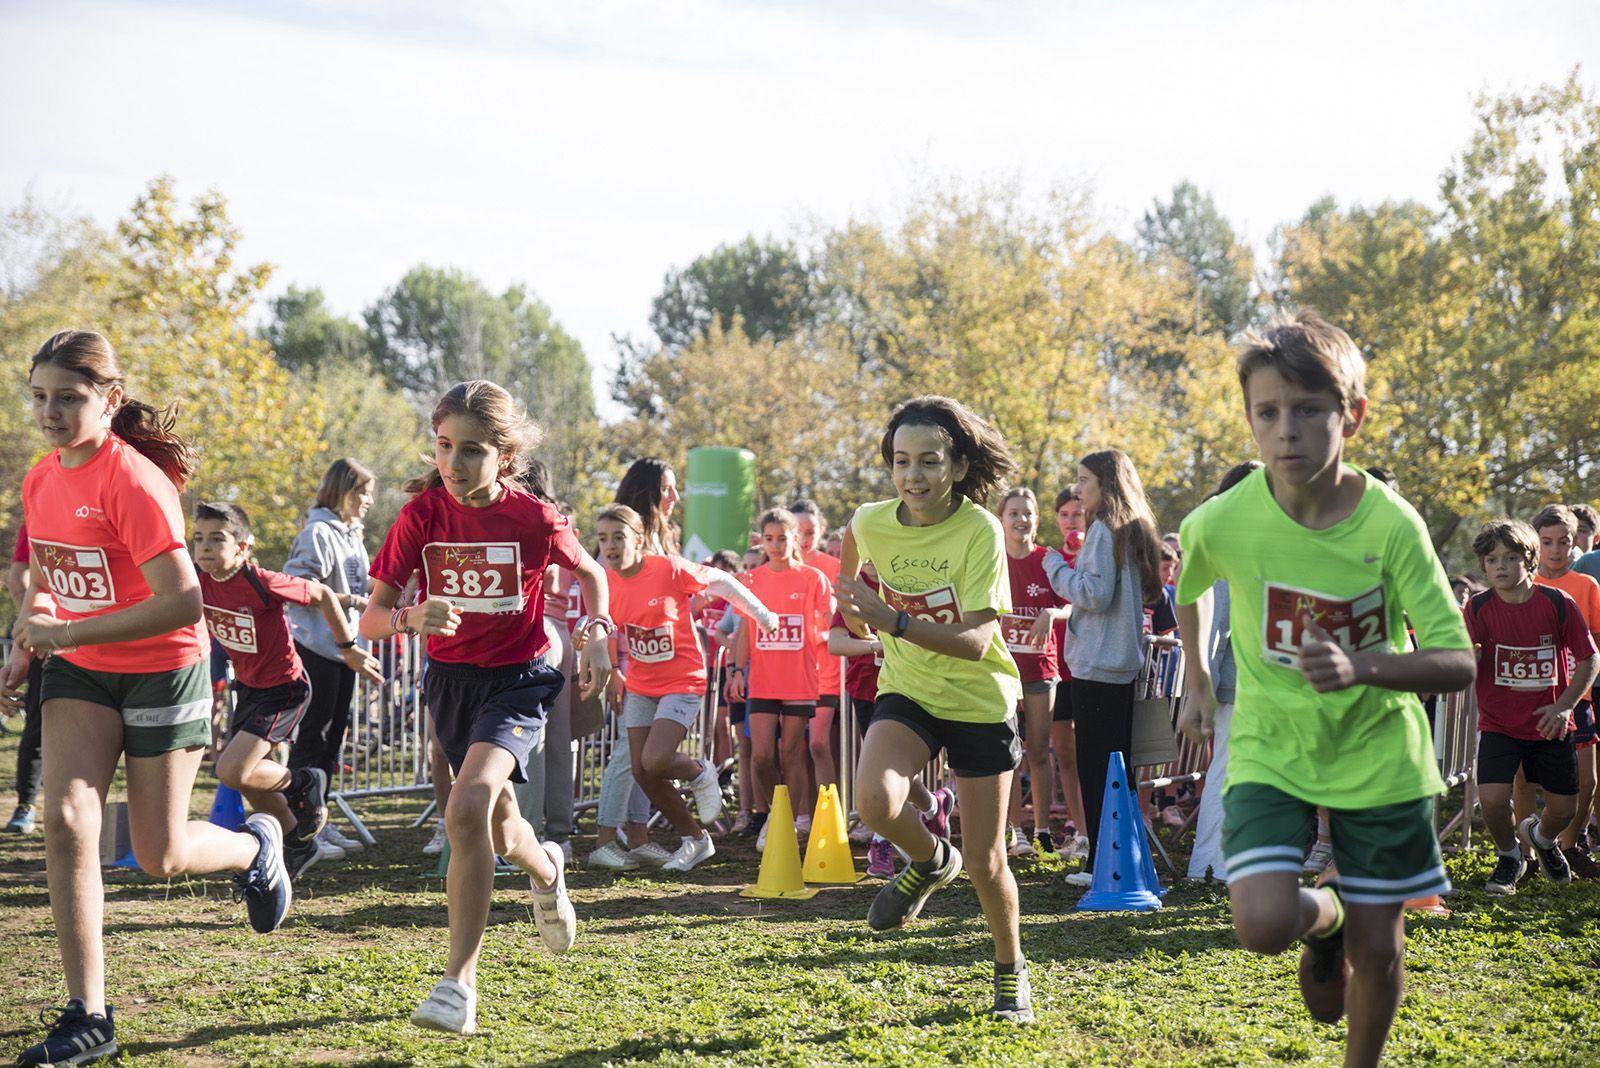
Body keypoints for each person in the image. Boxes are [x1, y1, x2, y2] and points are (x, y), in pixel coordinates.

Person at [1174, 312, 1474, 1068]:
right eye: (1268, 412)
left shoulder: (1393, 525)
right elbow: (1189, 584)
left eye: (1308, 409)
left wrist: (1362, 666)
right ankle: (1327, 915)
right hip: (1272, 746)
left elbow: (1456, 659)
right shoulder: (1224, 520)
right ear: (1250, 419)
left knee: (1379, 950)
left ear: (1353, 415)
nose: (1287, 431)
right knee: (1262, 925)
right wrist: (1197, 680)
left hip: (1378, 753)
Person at [3, 330, 291, 1067]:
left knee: (158, 855)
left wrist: (64, 632)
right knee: (69, 820)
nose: (50, 413)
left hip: (164, 668)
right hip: (80, 670)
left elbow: (182, 603)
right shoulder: (41, 480)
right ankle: (89, 1015)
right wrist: (27, 642)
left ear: (111, 400)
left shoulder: (133, 482)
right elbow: (48, 574)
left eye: (69, 398)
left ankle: (253, 847)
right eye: (39, 397)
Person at [359, 379, 612, 1035]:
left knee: (465, 806)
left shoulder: (533, 518)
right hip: (451, 682)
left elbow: (590, 573)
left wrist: (598, 631)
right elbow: (372, 618)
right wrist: (411, 616)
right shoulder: (421, 517)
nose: (454, 462)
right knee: (499, 830)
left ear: (506, 456)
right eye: (445, 446)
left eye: (472, 450)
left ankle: (458, 986)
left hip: (520, 679)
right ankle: (548, 869)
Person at [835, 394, 1032, 1024]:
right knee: (873, 802)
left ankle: (1011, 971)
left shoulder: (980, 531)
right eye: (901, 461)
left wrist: (891, 618)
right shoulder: (871, 521)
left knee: (986, 861)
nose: (912, 476)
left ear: (958, 465)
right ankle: (929, 860)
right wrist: (851, 612)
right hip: (910, 689)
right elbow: (849, 566)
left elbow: (975, 642)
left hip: (979, 701)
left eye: (928, 461)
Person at [191, 501, 383, 879]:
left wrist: (348, 649)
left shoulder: (262, 581)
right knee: (251, 785)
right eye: (198, 538)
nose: (205, 547)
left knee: (231, 770)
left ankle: (304, 780)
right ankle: (298, 843)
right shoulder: (197, 583)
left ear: (242, 547)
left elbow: (324, 595)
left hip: (284, 688)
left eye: (217, 538)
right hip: (248, 689)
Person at [595, 503, 779, 872]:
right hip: (642, 684)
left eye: (619, 537)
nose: (610, 546)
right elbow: (602, 627)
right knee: (643, 771)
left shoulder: (669, 568)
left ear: (639, 539)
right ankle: (695, 840)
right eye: (603, 539)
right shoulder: (606, 582)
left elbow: (723, 582)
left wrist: (761, 615)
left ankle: (700, 772)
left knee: (656, 760)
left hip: (683, 679)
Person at [1042, 449, 1164, 886]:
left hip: (1098, 664)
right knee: (1117, 769)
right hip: (1119, 663)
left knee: (1098, 770)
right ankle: (1123, 858)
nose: (1078, 490)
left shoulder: (1103, 530)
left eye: (1083, 480)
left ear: (1106, 484)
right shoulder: (1131, 528)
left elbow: (1093, 595)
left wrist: (1054, 566)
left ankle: (1101, 864)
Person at [1463, 518, 1598, 893]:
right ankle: (1510, 857)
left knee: (1564, 809)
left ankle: (1543, 838)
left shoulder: (1557, 603)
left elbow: (1590, 659)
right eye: (1492, 560)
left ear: (1530, 560)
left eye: (1510, 558)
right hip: (1499, 723)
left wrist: (1564, 706)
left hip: (1550, 723)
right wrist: (1468, 660)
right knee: (1492, 801)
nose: (1500, 567)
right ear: (1483, 565)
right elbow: (1462, 658)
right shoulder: (1477, 608)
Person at [285, 457, 376, 858]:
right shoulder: (318, 532)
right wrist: (351, 601)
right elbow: (299, 585)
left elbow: (358, 583)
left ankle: (318, 818)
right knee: (314, 738)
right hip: (317, 648)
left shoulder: (352, 534)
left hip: (344, 649)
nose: (369, 501)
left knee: (332, 741)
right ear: (344, 491)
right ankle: (298, 825)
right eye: (363, 492)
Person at [725, 508, 829, 849]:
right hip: (763, 680)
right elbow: (744, 631)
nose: (775, 545)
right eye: (769, 539)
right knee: (760, 756)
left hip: (800, 679)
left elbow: (830, 623)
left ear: (794, 539)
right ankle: (775, 814)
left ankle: (790, 824)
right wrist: (736, 671)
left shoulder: (813, 578)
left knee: (791, 753)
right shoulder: (750, 580)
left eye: (782, 538)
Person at [1185, 460, 1262, 881]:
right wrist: (1205, 692)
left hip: (1258, 682)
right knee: (1226, 772)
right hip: (1235, 684)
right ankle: (1209, 864)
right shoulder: (1224, 543)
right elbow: (1216, 625)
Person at [997, 488, 1072, 859]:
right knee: (1008, 754)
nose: (1020, 520)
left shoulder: (1047, 559)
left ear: (1037, 520)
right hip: (1002, 671)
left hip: (1041, 668)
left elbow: (1072, 603)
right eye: (1013, 513)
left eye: (1027, 513)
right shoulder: (993, 559)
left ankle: (1042, 833)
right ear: (1001, 519)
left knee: (1039, 751)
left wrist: (1051, 614)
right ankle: (1014, 832)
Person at [1526, 503, 1600, 877]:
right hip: (1529, 697)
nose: (1555, 550)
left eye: (1564, 541)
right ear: (1535, 542)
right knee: (1525, 778)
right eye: (1547, 542)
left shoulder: (1587, 586)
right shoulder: (1524, 585)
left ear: (1575, 542)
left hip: (1578, 697)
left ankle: (1568, 847)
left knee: (1587, 781)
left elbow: (1596, 644)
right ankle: (1524, 856)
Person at [791, 499, 843, 811]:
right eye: (798, 532)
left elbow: (842, 621)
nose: (804, 539)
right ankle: (802, 813)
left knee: (819, 743)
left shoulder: (834, 567)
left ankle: (829, 815)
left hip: (828, 669)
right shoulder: (782, 568)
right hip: (791, 672)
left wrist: (821, 636)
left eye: (810, 532)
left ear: (821, 531)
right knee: (794, 747)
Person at [6, 525, 43, 834]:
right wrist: (34, 628)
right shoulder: (38, 513)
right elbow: (20, 579)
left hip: (108, 638)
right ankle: (26, 804)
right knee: (38, 725)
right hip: (45, 638)